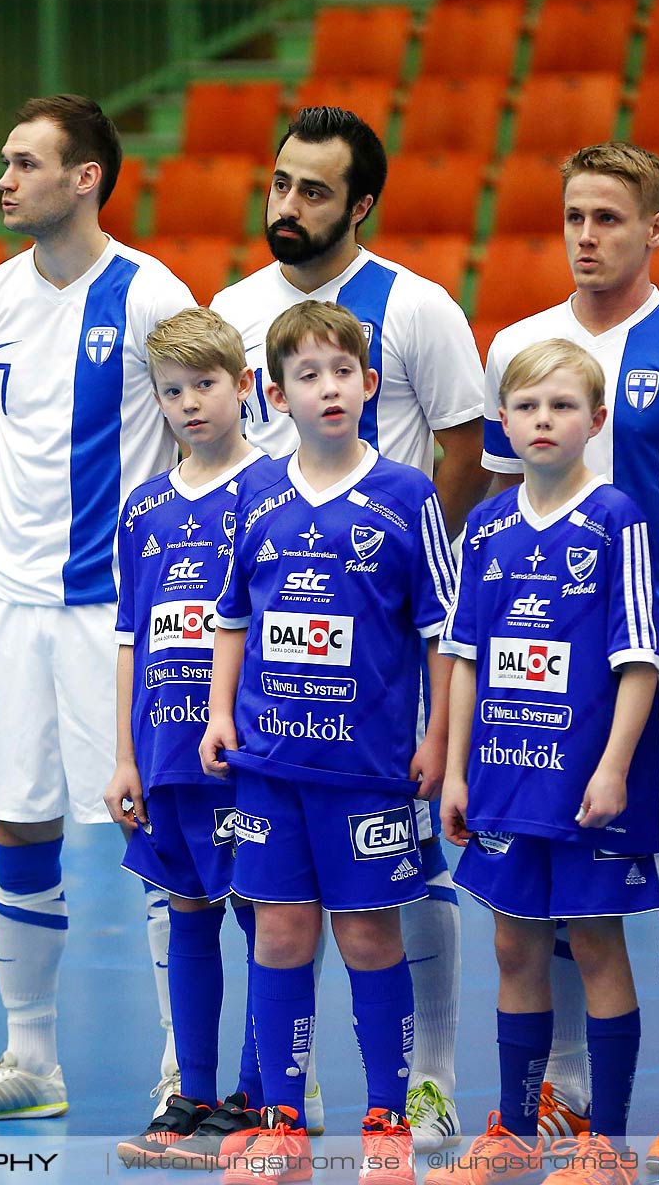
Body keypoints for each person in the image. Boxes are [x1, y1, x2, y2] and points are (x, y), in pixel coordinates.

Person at [212, 104, 487, 1149]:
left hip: (381, 696)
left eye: (314, 190)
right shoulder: (235, 307)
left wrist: (382, 566)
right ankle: (279, 1106)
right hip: (281, 729)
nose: (288, 204)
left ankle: (418, 1090)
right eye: (280, 183)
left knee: (392, 914)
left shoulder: (417, 310)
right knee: (276, 921)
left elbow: (464, 450)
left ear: (359, 203)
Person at [0, 94, 194, 1123]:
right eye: (5, 159)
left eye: (25, 161)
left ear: (86, 177)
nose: (3, 178)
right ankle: (30, 1062)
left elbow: (202, 443)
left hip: (117, 615)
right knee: (17, 820)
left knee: (153, 828)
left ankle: (187, 1062)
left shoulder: (151, 295)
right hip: (12, 605)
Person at [479, 141, 659, 1171]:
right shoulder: (520, 346)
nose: (588, 236)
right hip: (540, 678)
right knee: (542, 894)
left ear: (657, 231)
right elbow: (506, 501)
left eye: (610, 219)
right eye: (575, 216)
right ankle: (567, 1092)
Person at [200, 300, 455, 1185]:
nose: (329, 387)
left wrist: (440, 740)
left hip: (367, 772)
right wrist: (219, 712)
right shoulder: (257, 494)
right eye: (307, 375)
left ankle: (386, 1118)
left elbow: (442, 638)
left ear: (370, 384)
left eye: (343, 371)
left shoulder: (408, 496)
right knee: (278, 934)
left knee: (370, 939)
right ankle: (281, 1121)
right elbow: (231, 616)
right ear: (275, 395)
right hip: (270, 768)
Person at [432, 339, 659, 1185]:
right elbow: (462, 657)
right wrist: (456, 774)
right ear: (503, 420)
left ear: (596, 421)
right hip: (499, 775)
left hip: (585, 783)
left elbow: (638, 659)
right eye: (526, 406)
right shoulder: (486, 524)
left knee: (597, 948)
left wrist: (612, 769)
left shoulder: (616, 520)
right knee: (515, 951)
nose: (542, 420)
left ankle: (608, 1143)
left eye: (562, 406)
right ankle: (517, 1130)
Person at [105, 308, 269, 1165]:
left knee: (261, 917)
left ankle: (257, 1098)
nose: (191, 404)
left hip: (242, 752)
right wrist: (125, 755)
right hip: (164, 751)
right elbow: (132, 635)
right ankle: (193, 1095)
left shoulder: (273, 490)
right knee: (189, 913)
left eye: (206, 385)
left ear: (243, 386)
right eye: (173, 391)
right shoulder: (144, 508)